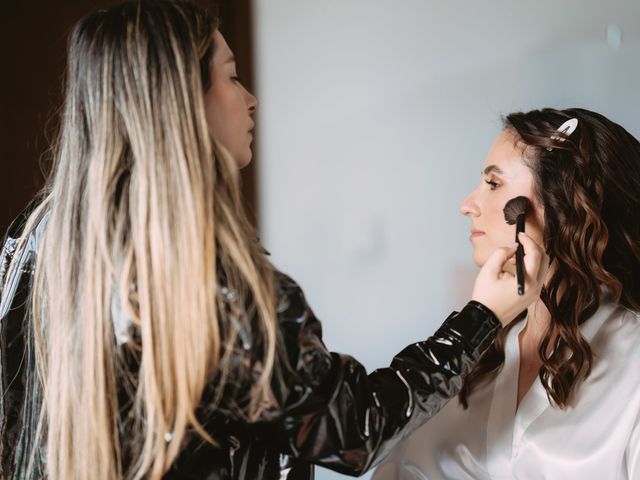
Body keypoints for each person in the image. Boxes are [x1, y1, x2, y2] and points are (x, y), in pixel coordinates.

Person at [0, 2, 547, 479]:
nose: (252, 99)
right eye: (233, 78)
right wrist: (480, 318)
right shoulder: (211, 280)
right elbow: (353, 428)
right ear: (185, 102)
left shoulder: (33, 240)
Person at [373, 107, 640, 480]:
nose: (467, 205)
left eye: (493, 184)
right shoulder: (470, 356)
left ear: (562, 205)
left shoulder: (632, 366)